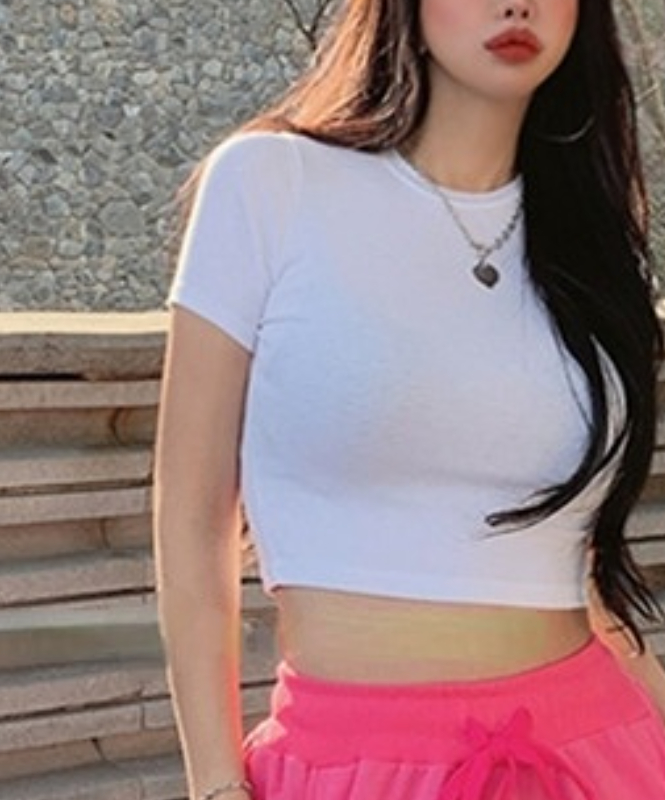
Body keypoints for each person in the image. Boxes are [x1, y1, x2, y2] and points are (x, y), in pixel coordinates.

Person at [153, 0, 665, 797]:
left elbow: (577, 565)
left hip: (598, 750)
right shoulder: (269, 184)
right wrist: (216, 783)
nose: (517, 5)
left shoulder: (589, 243)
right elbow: (189, 519)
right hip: (349, 762)